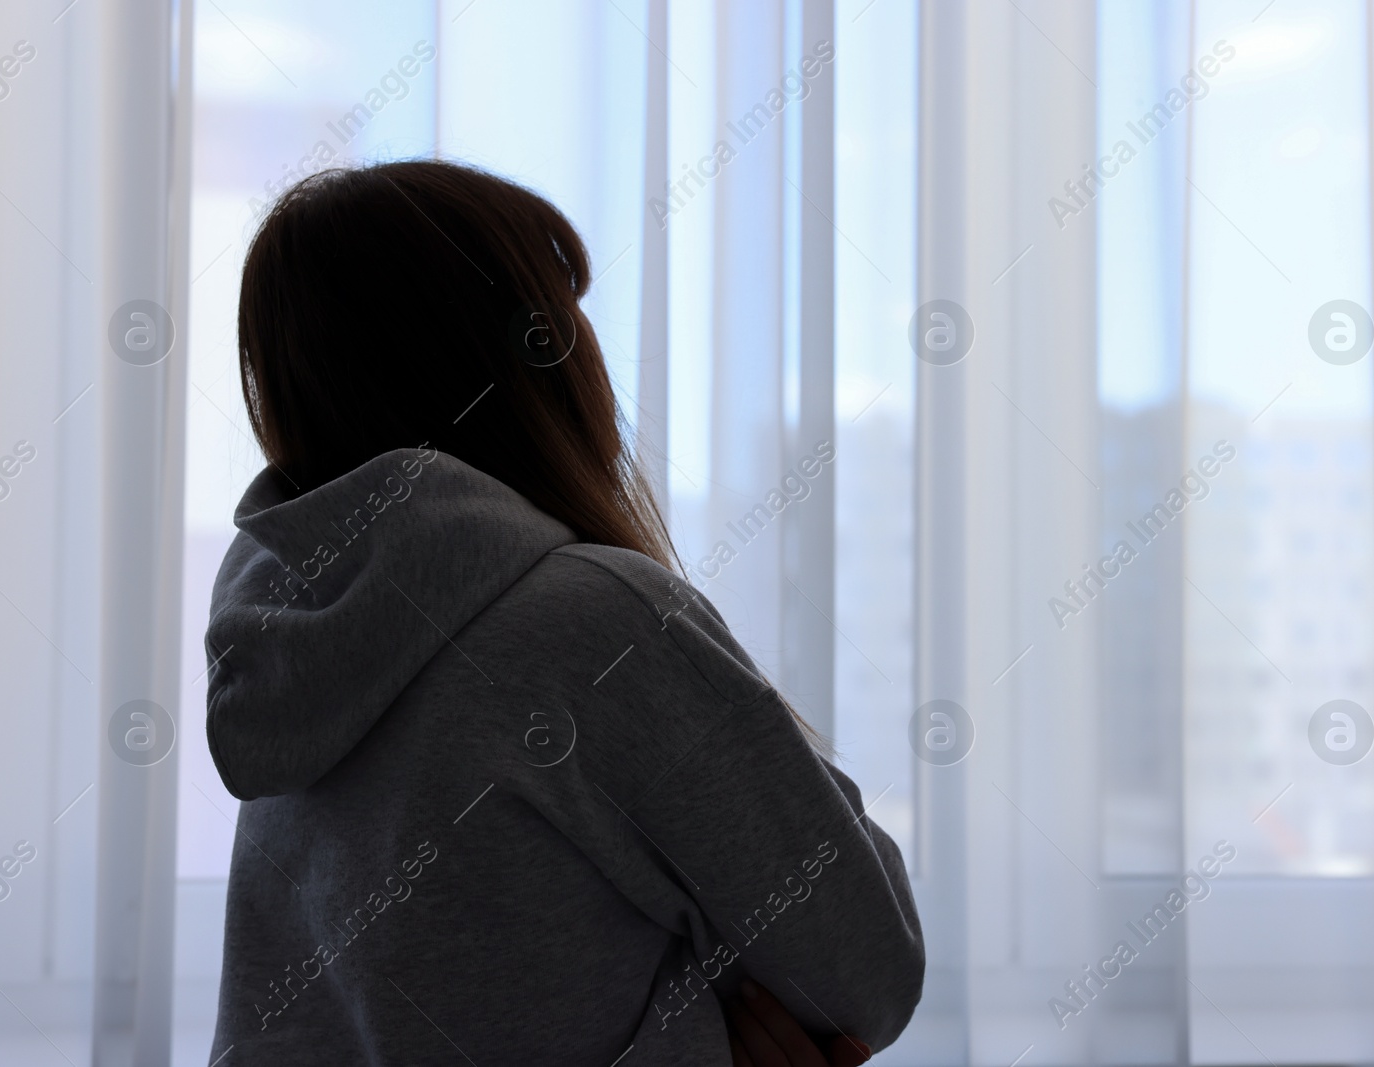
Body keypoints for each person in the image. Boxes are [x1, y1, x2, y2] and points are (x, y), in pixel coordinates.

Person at [202, 160, 924, 1066]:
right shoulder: (596, 622)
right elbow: (868, 969)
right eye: (564, 311)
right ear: (529, 360)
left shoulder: (293, 645)